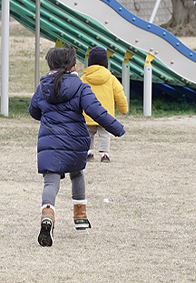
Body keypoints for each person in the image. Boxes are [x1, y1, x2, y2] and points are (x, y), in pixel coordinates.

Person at [29, 46, 125, 247]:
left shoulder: (42, 87)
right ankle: (80, 216)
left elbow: (34, 111)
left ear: (50, 66)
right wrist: (117, 129)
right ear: (73, 66)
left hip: (50, 142)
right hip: (75, 141)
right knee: (77, 173)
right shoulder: (80, 87)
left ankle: (47, 213)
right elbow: (97, 111)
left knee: (50, 183)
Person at [80, 46, 129, 163]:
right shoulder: (111, 78)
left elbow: (77, 94)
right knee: (105, 134)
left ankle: (89, 152)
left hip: (88, 113)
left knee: (88, 133)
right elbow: (120, 95)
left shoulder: (84, 78)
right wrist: (123, 109)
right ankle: (105, 154)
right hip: (105, 114)